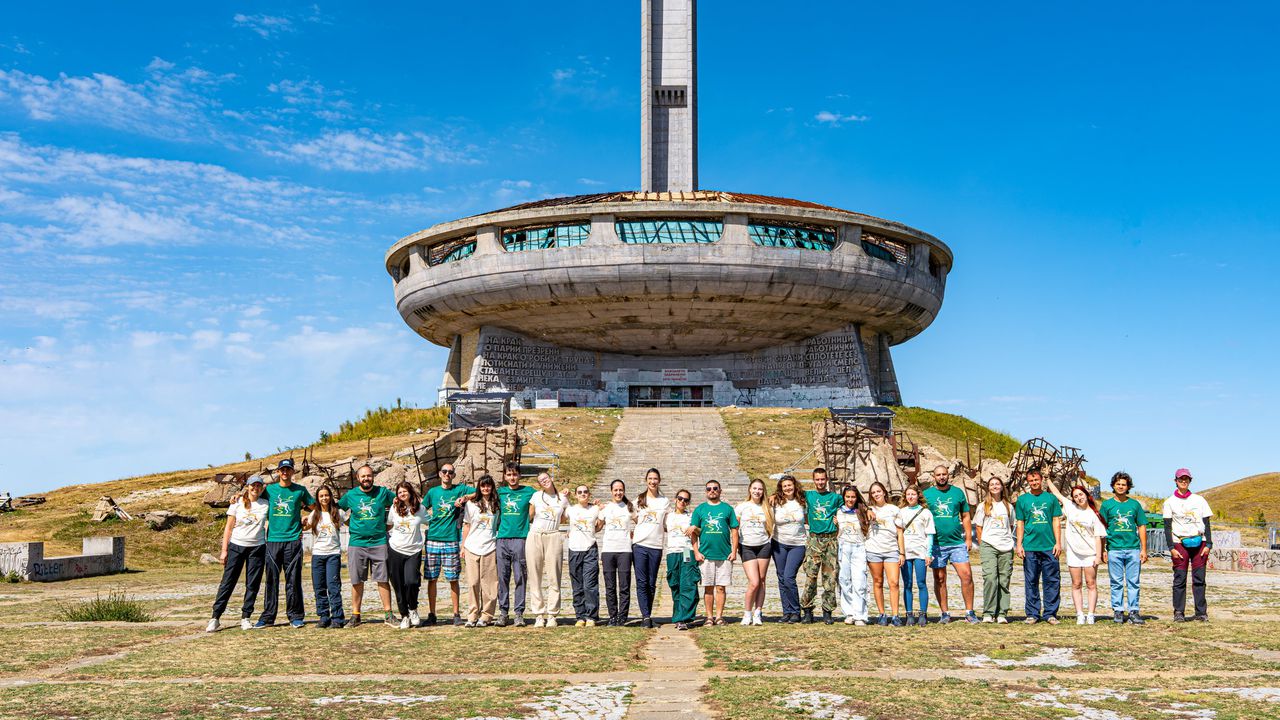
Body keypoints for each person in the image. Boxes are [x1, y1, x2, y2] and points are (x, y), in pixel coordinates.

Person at [256, 459, 315, 628]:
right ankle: (268, 617)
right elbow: (254, 498)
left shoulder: (300, 491)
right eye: (282, 470)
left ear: (292, 472)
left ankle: (295, 616)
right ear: (278, 472)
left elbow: (316, 507)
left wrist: (308, 520)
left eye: (288, 469)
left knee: (293, 580)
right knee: (271, 580)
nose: (285, 472)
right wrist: (238, 496)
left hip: (293, 540)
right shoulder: (270, 490)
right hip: (273, 540)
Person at [208, 475, 268, 632]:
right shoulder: (237, 503)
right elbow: (228, 527)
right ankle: (215, 617)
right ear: (247, 486)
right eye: (252, 485)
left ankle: (246, 617)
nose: (255, 488)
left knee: (252, 584)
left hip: (257, 547)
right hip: (237, 545)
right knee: (228, 582)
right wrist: (224, 550)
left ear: (262, 488)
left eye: (258, 486)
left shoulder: (266, 504)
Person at [338, 464, 396, 627]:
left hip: (379, 542)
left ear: (373, 477)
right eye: (363, 476)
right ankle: (356, 615)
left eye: (369, 475)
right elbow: (337, 509)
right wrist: (348, 522)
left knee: (383, 579)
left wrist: (390, 524)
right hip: (357, 543)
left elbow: (399, 502)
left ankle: (388, 614)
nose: (366, 479)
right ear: (358, 478)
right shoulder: (351, 495)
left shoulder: (382, 492)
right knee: (357, 580)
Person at [923, 466, 978, 624]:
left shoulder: (957, 493)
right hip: (936, 544)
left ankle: (969, 612)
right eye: (938, 475)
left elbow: (966, 516)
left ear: (948, 476)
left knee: (966, 575)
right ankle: (945, 613)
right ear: (934, 477)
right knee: (940, 578)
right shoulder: (927, 495)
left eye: (944, 474)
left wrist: (968, 538)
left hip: (956, 543)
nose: (941, 477)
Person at [423, 463, 472, 627]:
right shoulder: (433, 492)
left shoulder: (459, 489)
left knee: (453, 579)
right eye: (444, 472)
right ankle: (432, 613)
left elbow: (477, 492)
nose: (447, 474)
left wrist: (464, 498)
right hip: (433, 539)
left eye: (450, 472)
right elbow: (421, 509)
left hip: (451, 539)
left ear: (454, 475)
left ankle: (456, 613)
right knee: (432, 579)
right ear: (439, 474)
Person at [1163, 468, 1213, 622]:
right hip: (1180, 543)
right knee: (1180, 579)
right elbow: (1167, 527)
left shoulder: (1199, 500)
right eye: (1180, 479)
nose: (1183, 481)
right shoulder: (1169, 502)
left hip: (1199, 542)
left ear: (1190, 480)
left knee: (1199, 579)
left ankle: (1201, 612)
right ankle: (1179, 612)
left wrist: (1208, 544)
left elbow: (1206, 523)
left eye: (1186, 479)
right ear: (1175, 481)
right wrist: (1171, 548)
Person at [1015, 467, 1063, 624]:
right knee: (1031, 581)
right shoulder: (1023, 500)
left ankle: (1050, 613)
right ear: (1028, 482)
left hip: (1049, 546)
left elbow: (1056, 520)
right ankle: (1032, 614)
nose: (1034, 483)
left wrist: (1058, 542)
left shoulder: (1050, 499)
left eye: (1036, 480)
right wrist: (1019, 544)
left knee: (1052, 580)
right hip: (1030, 546)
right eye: (1031, 480)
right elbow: (1020, 522)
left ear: (1041, 480)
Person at [689, 479, 739, 626]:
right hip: (706, 555)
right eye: (709, 489)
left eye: (715, 488)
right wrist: (696, 552)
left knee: (721, 587)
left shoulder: (727, 509)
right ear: (706, 492)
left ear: (720, 491)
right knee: (708, 587)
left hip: (724, 555)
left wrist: (734, 551)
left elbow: (735, 530)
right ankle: (709, 617)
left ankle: (719, 616)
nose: (712, 491)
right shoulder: (700, 510)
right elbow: (694, 532)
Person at [1100, 471, 1148, 624]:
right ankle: (1118, 611)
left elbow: (1141, 526)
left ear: (1128, 487)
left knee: (1133, 581)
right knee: (1116, 582)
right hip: (1114, 548)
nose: (1121, 487)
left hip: (1133, 548)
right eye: (1118, 484)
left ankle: (1134, 611)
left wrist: (1144, 549)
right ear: (1113, 485)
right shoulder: (1107, 505)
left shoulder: (1134, 505)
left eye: (1124, 484)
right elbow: (1102, 529)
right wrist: (1103, 550)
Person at [494, 462, 536, 627]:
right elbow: (478, 493)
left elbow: (547, 495)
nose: (512, 477)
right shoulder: (500, 492)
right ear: (505, 476)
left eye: (515, 474)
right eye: (509, 475)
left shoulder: (529, 491)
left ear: (519, 475)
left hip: (520, 539)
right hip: (502, 539)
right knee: (502, 577)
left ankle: (519, 613)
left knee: (520, 576)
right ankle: (503, 613)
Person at [799, 468, 842, 624]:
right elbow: (789, 494)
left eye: (822, 479)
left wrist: (840, 518)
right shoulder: (809, 495)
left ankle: (827, 611)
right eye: (817, 479)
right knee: (811, 576)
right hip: (814, 540)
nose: (820, 482)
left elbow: (853, 504)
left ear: (827, 480)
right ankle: (808, 610)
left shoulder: (835, 498)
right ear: (813, 480)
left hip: (830, 540)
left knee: (830, 578)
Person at [527, 472, 569, 628]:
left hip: (553, 535)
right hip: (536, 535)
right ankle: (539, 614)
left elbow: (564, 517)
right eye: (540, 481)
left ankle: (552, 614)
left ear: (551, 478)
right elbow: (530, 515)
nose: (544, 481)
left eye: (546, 478)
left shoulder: (563, 498)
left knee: (554, 576)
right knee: (534, 575)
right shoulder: (537, 496)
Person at [1063, 484, 1107, 624]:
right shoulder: (1070, 508)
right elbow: (1057, 494)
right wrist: (1047, 479)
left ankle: (1091, 614)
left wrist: (1098, 556)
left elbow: (1098, 536)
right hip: (1074, 553)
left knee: (1091, 583)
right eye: (1075, 496)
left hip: (1090, 553)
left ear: (1086, 495)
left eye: (1080, 495)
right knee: (1076, 583)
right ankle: (1080, 614)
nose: (1078, 498)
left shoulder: (1094, 514)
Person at [973, 476, 1015, 623]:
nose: (995, 486)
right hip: (988, 545)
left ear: (1002, 487)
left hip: (1006, 546)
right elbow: (978, 527)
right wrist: (982, 544)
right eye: (992, 484)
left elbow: (1011, 526)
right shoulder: (982, 506)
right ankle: (988, 612)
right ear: (988, 488)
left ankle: (1002, 612)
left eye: (997, 484)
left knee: (1004, 580)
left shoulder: (1008, 507)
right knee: (990, 578)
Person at [632, 468, 669, 629]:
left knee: (652, 582)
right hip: (640, 545)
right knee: (641, 581)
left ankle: (648, 613)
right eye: (650, 478)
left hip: (656, 545)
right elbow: (633, 519)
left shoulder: (664, 501)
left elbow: (667, 523)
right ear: (646, 480)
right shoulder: (638, 500)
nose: (653, 481)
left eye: (655, 479)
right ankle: (645, 616)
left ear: (659, 481)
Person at [387, 481, 428, 628]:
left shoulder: (420, 509)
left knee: (411, 582)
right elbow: (389, 524)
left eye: (404, 491)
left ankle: (413, 609)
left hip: (414, 551)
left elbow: (430, 522)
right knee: (398, 584)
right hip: (395, 549)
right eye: (399, 492)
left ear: (410, 492)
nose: (402, 494)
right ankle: (404, 615)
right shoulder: (394, 508)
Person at [304, 485, 345, 629]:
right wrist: (301, 520)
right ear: (318, 498)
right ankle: (323, 616)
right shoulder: (314, 514)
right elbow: (304, 527)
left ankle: (338, 617)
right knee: (319, 587)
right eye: (321, 496)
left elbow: (351, 523)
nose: (324, 498)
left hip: (333, 554)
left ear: (331, 496)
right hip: (317, 555)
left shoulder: (338, 513)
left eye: (326, 495)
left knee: (333, 586)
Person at [462, 475, 501, 627]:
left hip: (490, 546)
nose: (486, 489)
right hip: (472, 546)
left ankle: (486, 615)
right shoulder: (471, 504)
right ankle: (472, 615)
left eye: (488, 486)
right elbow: (467, 525)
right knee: (473, 582)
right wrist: (463, 546)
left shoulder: (497, 504)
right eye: (483, 486)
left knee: (489, 584)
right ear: (479, 487)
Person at [769, 475, 808, 623]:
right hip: (779, 543)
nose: (787, 488)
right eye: (784, 486)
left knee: (789, 576)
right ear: (781, 488)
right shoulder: (776, 502)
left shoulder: (802, 501)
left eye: (790, 485)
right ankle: (786, 612)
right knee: (781, 577)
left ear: (795, 485)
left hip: (797, 544)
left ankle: (796, 611)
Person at [735, 479, 774, 626]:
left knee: (762, 580)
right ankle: (747, 613)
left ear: (763, 491)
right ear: (749, 489)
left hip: (763, 545)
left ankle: (758, 612)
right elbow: (735, 528)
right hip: (747, 546)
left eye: (760, 489)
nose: (757, 491)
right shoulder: (742, 507)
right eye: (754, 488)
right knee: (754, 582)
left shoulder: (767, 507)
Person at [865, 481, 904, 626]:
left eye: (878, 491)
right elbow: (852, 503)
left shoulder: (894, 509)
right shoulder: (868, 509)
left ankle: (895, 615)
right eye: (873, 492)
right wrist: (867, 509)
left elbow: (900, 533)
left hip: (891, 550)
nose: (876, 494)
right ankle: (882, 614)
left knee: (894, 582)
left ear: (884, 492)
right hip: (873, 550)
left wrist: (902, 553)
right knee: (878, 582)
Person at [598, 479, 636, 626]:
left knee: (625, 586)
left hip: (625, 550)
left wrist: (634, 533)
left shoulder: (629, 507)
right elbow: (598, 527)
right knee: (610, 586)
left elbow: (640, 522)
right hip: (608, 551)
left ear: (624, 491)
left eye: (621, 490)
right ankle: (612, 616)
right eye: (616, 490)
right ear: (611, 491)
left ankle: (622, 616)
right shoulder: (606, 508)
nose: (618, 492)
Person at [897, 484, 935, 626]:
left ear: (918, 495)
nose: (910, 497)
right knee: (907, 583)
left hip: (920, 551)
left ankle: (923, 614)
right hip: (905, 552)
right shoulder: (901, 512)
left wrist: (928, 553)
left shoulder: (925, 513)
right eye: (908, 494)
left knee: (921, 582)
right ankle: (909, 614)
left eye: (913, 494)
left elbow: (929, 534)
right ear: (905, 496)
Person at [566, 484, 601, 627]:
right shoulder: (571, 509)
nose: (583, 494)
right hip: (574, 549)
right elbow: (560, 517)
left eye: (585, 492)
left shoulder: (595, 509)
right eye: (580, 492)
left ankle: (591, 616)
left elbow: (600, 524)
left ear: (589, 494)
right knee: (577, 584)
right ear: (575, 495)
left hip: (589, 549)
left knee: (590, 584)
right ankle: (580, 616)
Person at [835, 485, 871, 626]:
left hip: (859, 547)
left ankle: (860, 614)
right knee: (844, 580)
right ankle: (849, 612)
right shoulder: (838, 512)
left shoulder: (862, 511)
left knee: (859, 581)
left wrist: (869, 510)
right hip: (843, 547)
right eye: (848, 496)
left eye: (853, 497)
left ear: (857, 498)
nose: (850, 499)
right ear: (844, 497)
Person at [665, 489, 700, 631]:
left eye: (686, 500)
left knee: (687, 583)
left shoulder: (691, 516)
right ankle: (678, 614)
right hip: (672, 552)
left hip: (686, 551)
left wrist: (695, 528)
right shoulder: (668, 516)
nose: (682, 502)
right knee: (674, 583)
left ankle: (684, 618)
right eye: (680, 499)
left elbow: (698, 532)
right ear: (675, 499)